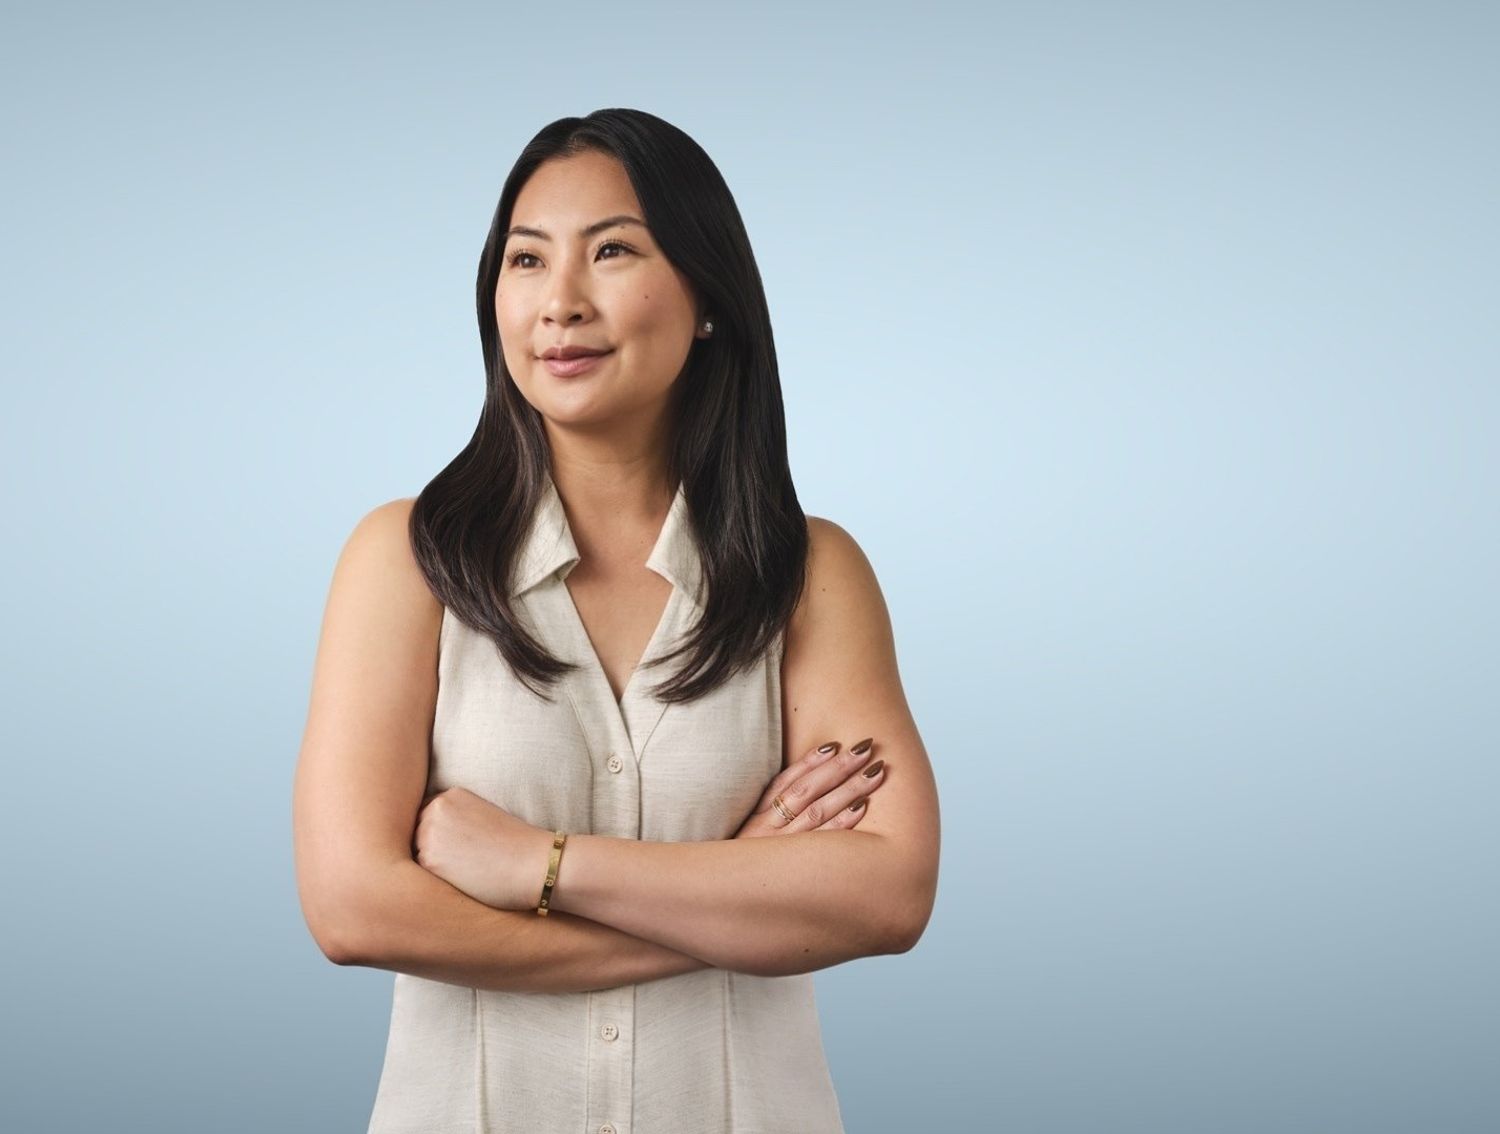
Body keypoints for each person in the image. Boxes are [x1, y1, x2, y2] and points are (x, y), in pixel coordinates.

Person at [292, 107, 941, 1133]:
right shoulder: (404, 562)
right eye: (526, 260)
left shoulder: (808, 574)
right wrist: (736, 895)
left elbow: (890, 894)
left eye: (612, 252)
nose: (560, 303)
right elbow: (353, 908)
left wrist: (537, 867)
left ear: (709, 296)